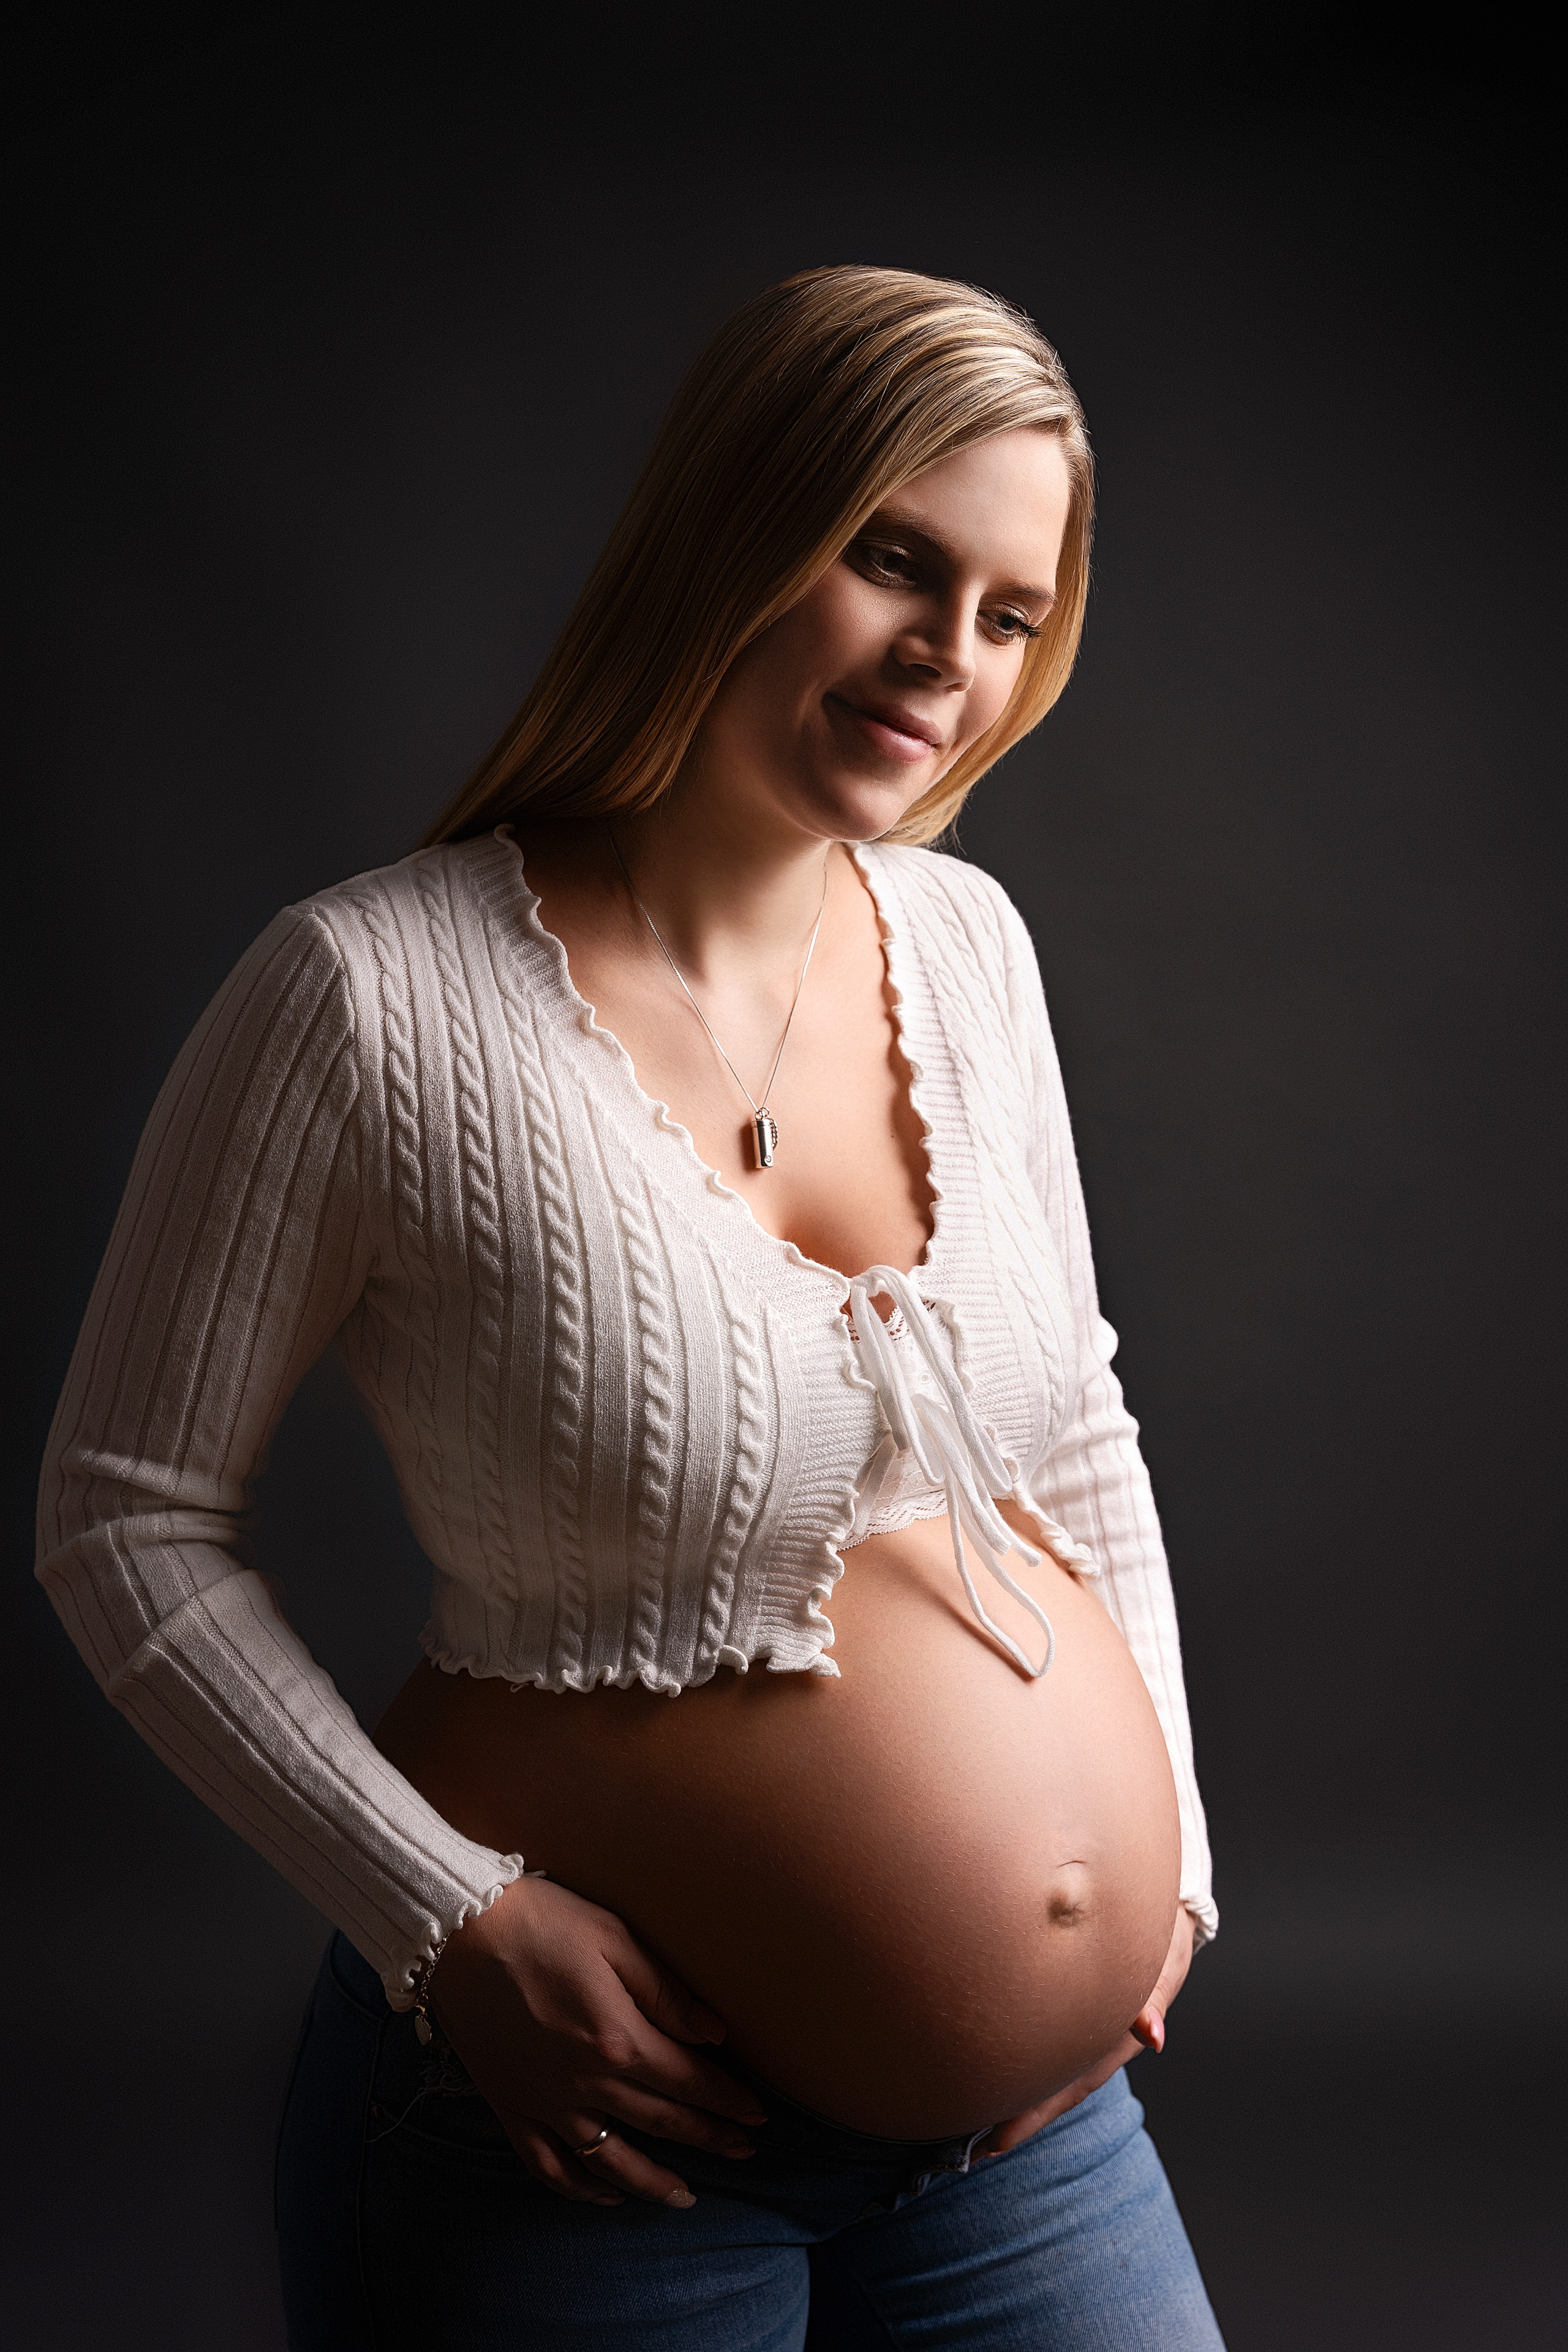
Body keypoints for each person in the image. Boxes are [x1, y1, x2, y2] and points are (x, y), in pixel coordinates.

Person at [37, 265, 1224, 2348]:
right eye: (895, 561)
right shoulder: (366, 998)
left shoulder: (965, 944)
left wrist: (1169, 1862)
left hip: (1034, 2144)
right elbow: (123, 1526)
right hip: (591, 2150)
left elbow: (1076, 1442)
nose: (949, 658)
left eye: (1012, 614)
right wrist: (446, 1924)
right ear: (736, 522)